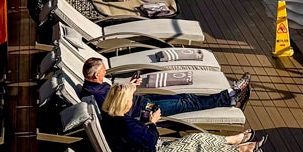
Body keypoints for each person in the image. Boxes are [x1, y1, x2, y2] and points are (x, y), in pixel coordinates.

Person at [99, 82, 266, 152]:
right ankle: (233, 140)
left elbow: (139, 137)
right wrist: (152, 122)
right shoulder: (124, 124)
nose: (131, 102)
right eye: (130, 99)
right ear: (123, 103)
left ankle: (242, 150)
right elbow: (150, 140)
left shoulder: (110, 118)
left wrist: (145, 124)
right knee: (196, 140)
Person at [78, 56, 251, 117]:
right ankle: (230, 96)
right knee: (186, 103)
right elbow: (117, 109)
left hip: (141, 101)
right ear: (94, 75)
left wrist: (130, 86)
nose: (106, 73)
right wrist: (130, 90)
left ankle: (230, 97)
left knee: (185, 96)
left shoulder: (94, 86)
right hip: (143, 111)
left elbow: (118, 97)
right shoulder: (95, 94)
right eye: (103, 72)